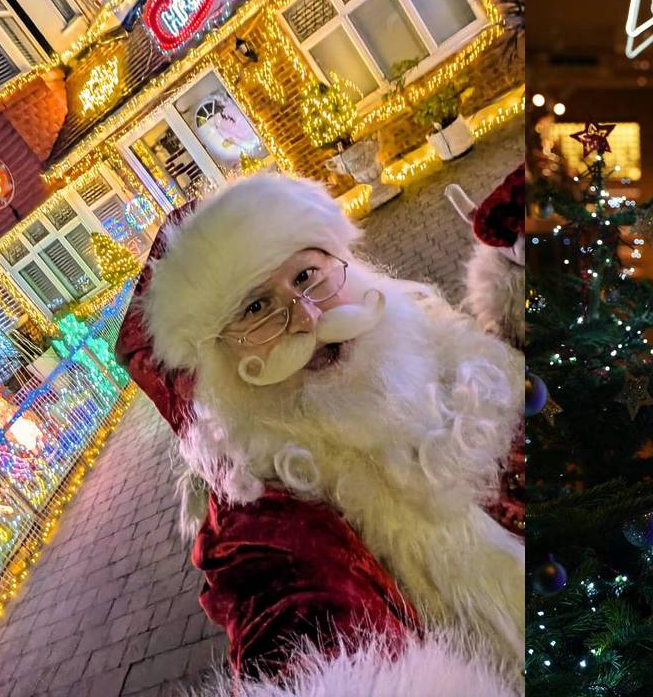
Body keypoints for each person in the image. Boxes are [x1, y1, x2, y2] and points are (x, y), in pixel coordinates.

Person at [115, 173, 523, 694]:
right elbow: (290, 620)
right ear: (218, 359)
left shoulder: (431, 338)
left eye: (306, 275)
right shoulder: (262, 515)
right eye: (256, 308)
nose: (306, 318)